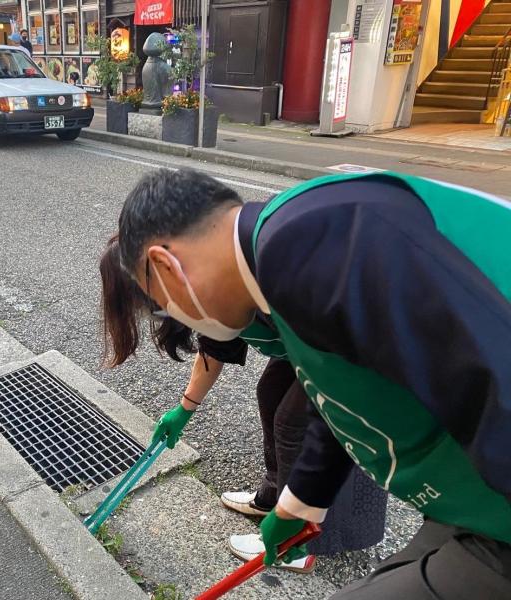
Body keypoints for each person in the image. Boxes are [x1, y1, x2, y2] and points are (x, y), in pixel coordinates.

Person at [100, 168, 511, 597]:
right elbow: (341, 393)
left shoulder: (310, 246)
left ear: (165, 265)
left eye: (160, 302)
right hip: (473, 502)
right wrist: (299, 502)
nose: (169, 314)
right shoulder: (283, 252)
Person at [101, 245, 387, 574]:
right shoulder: (195, 285)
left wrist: (302, 504)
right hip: (304, 341)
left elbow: (337, 349)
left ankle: (293, 542)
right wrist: (184, 409)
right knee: (270, 392)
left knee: (293, 423)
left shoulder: (233, 273)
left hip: (342, 344)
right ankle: (274, 496)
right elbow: (217, 345)